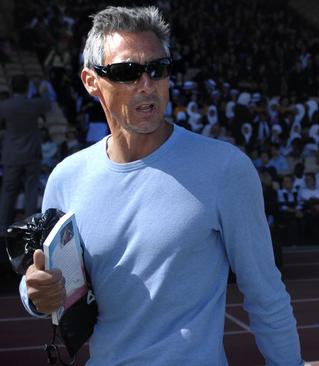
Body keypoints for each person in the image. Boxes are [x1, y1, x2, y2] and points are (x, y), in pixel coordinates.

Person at [19, 6, 303, 366]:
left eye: (158, 69)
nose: (147, 85)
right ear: (91, 82)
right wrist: (35, 295)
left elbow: (266, 293)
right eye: (127, 72)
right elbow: (48, 286)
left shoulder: (225, 168)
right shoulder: (66, 177)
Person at [0, 74, 51, 231]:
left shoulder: (5, 106)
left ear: (11, 87)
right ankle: (29, 228)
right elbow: (48, 104)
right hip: (31, 153)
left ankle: (2, 228)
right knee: (31, 192)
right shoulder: (33, 104)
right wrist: (42, 91)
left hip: (12, 154)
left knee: (8, 192)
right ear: (27, 87)